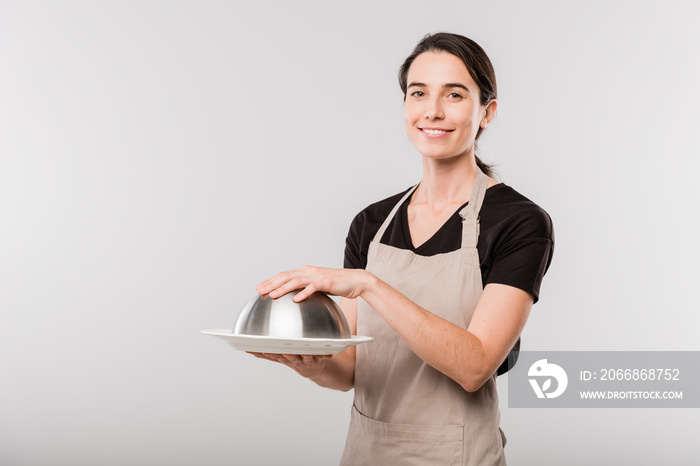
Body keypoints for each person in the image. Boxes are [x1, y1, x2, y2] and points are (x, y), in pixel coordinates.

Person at [252, 32, 554, 465]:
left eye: (454, 94)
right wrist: (311, 363)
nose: (432, 110)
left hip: (458, 455)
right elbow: (351, 369)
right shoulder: (372, 224)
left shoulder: (519, 222)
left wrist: (368, 285)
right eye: (418, 93)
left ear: (486, 111)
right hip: (367, 451)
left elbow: (475, 366)